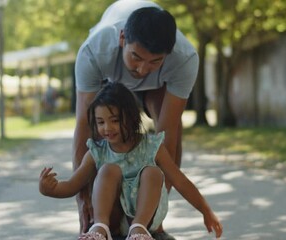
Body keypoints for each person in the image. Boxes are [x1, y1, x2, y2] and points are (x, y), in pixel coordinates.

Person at [73, 1, 199, 239]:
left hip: (157, 87)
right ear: (122, 38)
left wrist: (156, 209)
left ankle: (145, 222)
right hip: (110, 81)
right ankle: (104, 217)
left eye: (154, 61)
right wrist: (83, 201)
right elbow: (84, 127)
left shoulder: (184, 59)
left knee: (170, 126)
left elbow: (167, 133)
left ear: (167, 55)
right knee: (103, 128)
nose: (142, 69)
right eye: (136, 57)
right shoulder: (94, 51)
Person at [40, 82, 222, 240]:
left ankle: (138, 230)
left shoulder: (151, 146)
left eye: (115, 120)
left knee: (152, 172)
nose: (107, 128)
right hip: (113, 217)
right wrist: (50, 189)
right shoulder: (97, 151)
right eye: (100, 122)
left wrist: (206, 211)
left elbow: (180, 180)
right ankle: (100, 229)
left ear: (132, 117)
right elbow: (73, 185)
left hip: (146, 218)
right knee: (108, 170)